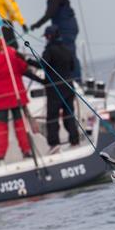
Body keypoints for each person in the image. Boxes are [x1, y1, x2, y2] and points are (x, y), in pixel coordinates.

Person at [0, 35, 33, 161]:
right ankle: (26, 150)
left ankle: (0, 154)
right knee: (20, 124)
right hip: (17, 95)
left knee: (1, 127)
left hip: (1, 98)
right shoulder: (12, 51)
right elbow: (23, 67)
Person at [30, 0, 81, 81]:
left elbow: (50, 13)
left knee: (69, 53)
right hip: (68, 25)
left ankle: (75, 79)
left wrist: (37, 25)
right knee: (68, 52)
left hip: (65, 27)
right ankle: (73, 77)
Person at [36, 25, 79, 153]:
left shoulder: (49, 50)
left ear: (49, 36)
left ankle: (54, 144)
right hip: (69, 87)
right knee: (69, 115)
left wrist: (27, 61)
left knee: (53, 117)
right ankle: (74, 140)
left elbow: (42, 65)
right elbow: (72, 67)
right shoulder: (67, 49)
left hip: (55, 90)